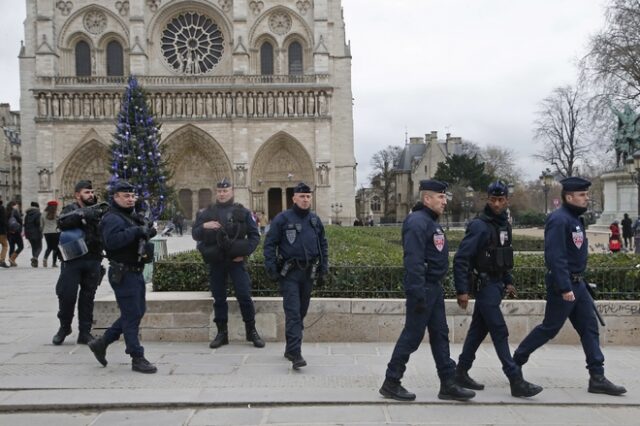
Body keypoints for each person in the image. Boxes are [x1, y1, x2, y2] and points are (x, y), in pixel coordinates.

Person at [513, 177, 626, 396]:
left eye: (586, 194)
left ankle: (597, 377)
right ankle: (515, 363)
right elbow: (556, 256)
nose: (586, 198)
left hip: (578, 283)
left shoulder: (574, 219)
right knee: (550, 328)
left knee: (589, 328)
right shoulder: (559, 219)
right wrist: (565, 287)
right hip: (563, 285)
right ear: (569, 197)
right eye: (582, 195)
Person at [379, 180, 474, 402]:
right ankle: (391, 381)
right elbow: (413, 260)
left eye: (444, 197)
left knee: (440, 335)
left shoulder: (430, 222)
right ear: (427, 199)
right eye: (440, 197)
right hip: (423, 288)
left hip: (434, 288)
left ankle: (448, 383)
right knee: (412, 336)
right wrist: (418, 292)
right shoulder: (417, 222)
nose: (445, 201)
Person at [453, 181, 542, 397]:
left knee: (477, 331)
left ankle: (460, 372)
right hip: (484, 286)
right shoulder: (479, 225)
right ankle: (515, 379)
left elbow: (503, 256)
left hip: (497, 284)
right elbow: (461, 259)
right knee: (499, 331)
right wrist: (461, 290)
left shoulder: (504, 225)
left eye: (500, 199)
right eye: (493, 199)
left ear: (506, 200)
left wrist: (508, 280)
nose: (496, 203)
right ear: (488, 199)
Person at [88, 180, 158, 374]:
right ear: (116, 197)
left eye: (132, 196)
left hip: (134, 272)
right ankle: (137, 357)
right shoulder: (112, 218)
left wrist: (147, 231)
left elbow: (137, 236)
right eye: (125, 196)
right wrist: (137, 231)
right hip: (123, 272)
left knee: (135, 312)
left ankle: (102, 343)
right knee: (132, 314)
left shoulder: (130, 216)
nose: (130, 199)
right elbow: (112, 242)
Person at [192, 178, 265, 349]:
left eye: (225, 191)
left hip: (236, 262)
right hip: (216, 262)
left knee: (244, 296)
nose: (222, 194)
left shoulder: (243, 212)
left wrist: (244, 252)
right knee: (218, 298)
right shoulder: (206, 213)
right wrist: (205, 226)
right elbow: (196, 235)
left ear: (232, 192)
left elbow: (255, 236)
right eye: (219, 191)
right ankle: (222, 334)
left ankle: (251, 331)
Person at [263, 182, 328, 369]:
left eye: (308, 196)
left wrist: (324, 268)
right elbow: (269, 245)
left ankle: (290, 348)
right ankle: (296, 354)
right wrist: (271, 268)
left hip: (308, 273)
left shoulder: (315, 221)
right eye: (302, 196)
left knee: (301, 313)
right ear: (294, 198)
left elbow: (323, 245)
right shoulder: (282, 219)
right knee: (293, 313)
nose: (305, 199)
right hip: (290, 273)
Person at [53, 180, 105, 345]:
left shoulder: (100, 209)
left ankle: (85, 332)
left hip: (94, 258)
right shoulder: (70, 209)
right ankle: (64, 327)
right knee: (67, 295)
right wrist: (82, 215)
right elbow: (62, 222)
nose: (90, 195)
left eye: (91, 192)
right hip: (73, 259)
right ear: (77, 195)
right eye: (86, 192)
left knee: (88, 296)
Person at [24, 201, 44, 267]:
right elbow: (38, 223)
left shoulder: (27, 214)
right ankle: (35, 257)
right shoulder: (38, 213)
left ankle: (34, 263)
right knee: (39, 247)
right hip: (37, 232)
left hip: (28, 233)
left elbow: (25, 224)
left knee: (33, 247)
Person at [42, 201, 61, 267]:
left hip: (46, 232)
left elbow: (41, 224)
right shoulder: (57, 214)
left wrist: (42, 231)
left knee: (49, 247)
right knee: (55, 248)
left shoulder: (43, 214)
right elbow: (60, 223)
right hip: (55, 232)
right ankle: (54, 263)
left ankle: (45, 258)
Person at [6, 201, 23, 267]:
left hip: (8, 232)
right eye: (16, 205)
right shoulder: (15, 211)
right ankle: (12, 259)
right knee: (21, 246)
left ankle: (11, 262)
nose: (17, 206)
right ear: (13, 205)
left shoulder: (5, 211)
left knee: (12, 247)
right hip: (16, 231)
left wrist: (8, 230)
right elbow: (19, 220)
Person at [0, 199, 8, 268]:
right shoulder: (1, 208)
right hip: (1, 231)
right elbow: (3, 220)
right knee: (5, 245)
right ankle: (1, 260)